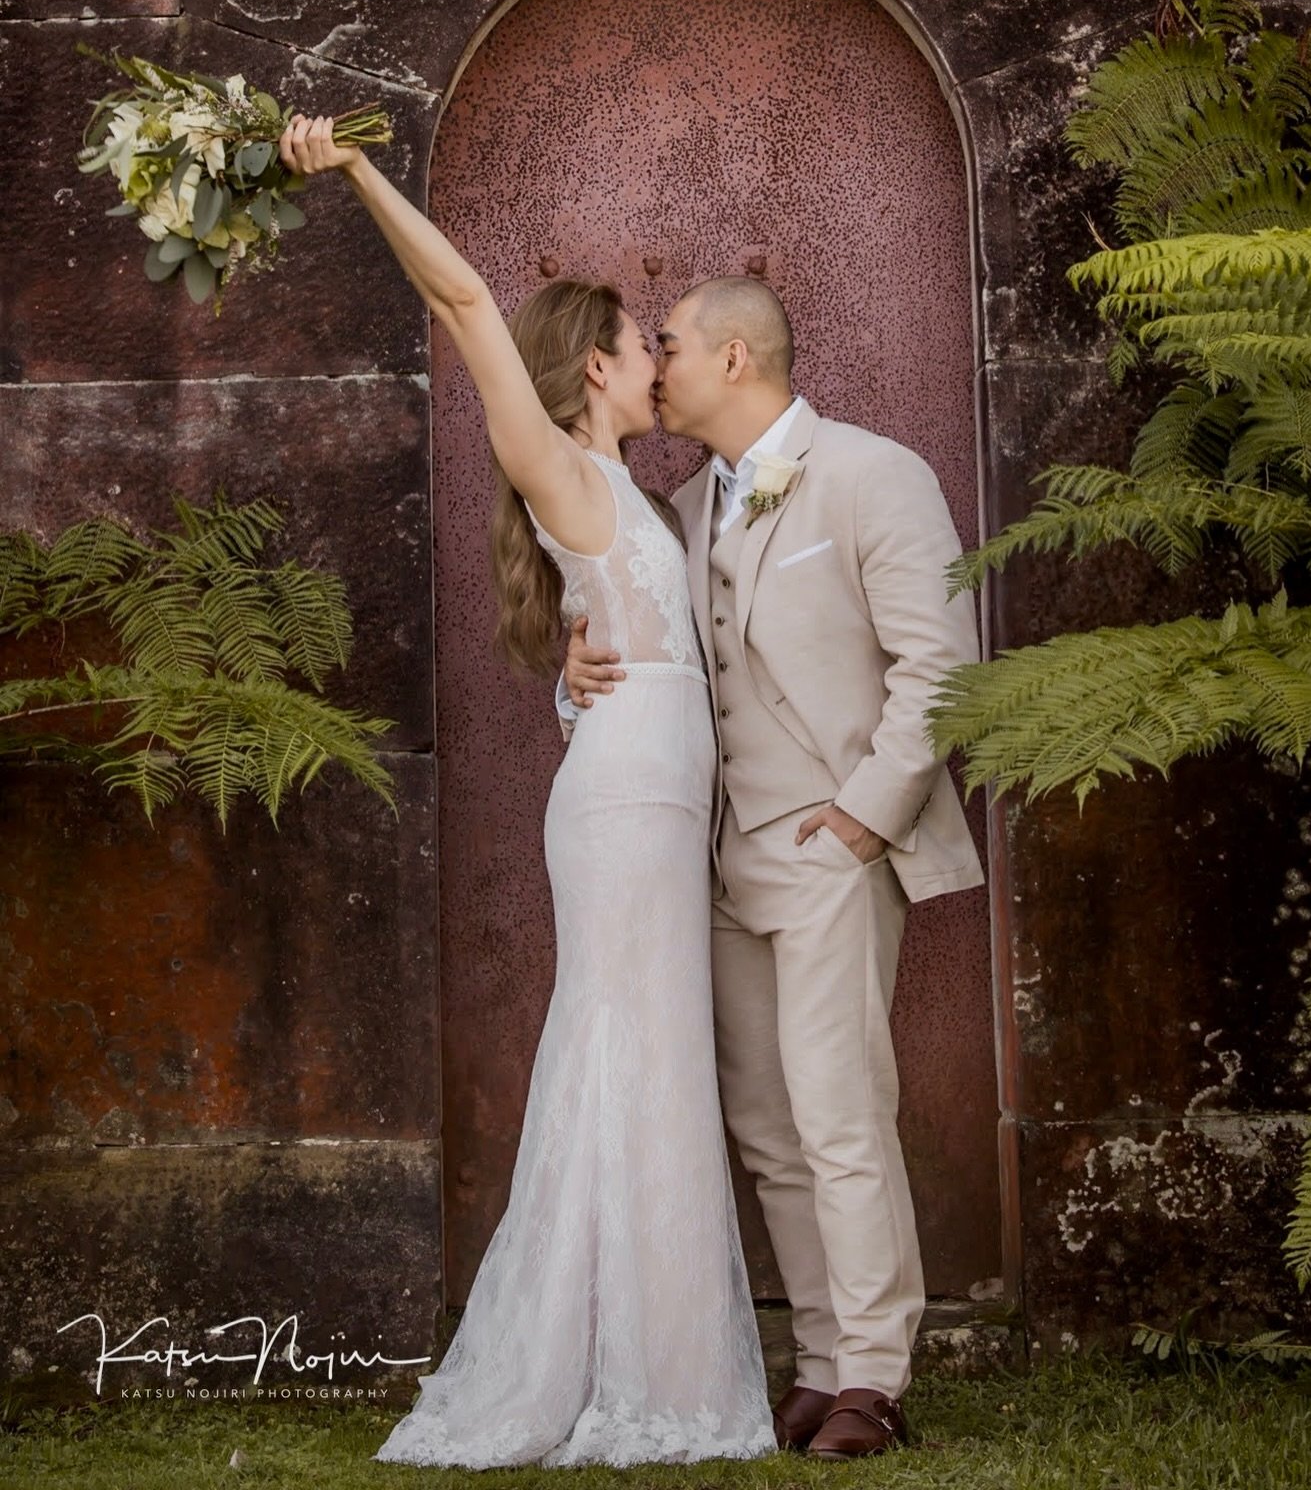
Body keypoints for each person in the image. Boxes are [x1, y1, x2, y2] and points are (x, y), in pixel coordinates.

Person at [277, 116, 775, 1469]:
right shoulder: (560, 470)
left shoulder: (641, 499)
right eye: (641, 345)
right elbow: (460, 298)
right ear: (594, 371)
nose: (657, 361)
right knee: (625, 1060)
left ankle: (661, 1363)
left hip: (657, 804)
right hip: (619, 814)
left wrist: (571, 666)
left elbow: (649, 638)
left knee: (662, 1063)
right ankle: (610, 1370)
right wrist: (359, 168)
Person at [562, 275, 985, 1461]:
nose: (659, 363)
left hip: (832, 846)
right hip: (723, 858)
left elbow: (938, 667)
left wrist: (862, 820)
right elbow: (644, 648)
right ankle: (820, 1362)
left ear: (736, 358)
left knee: (841, 1110)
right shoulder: (685, 510)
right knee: (765, 1124)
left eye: (674, 344)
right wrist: (578, 671)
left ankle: (877, 1379)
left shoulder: (873, 474)